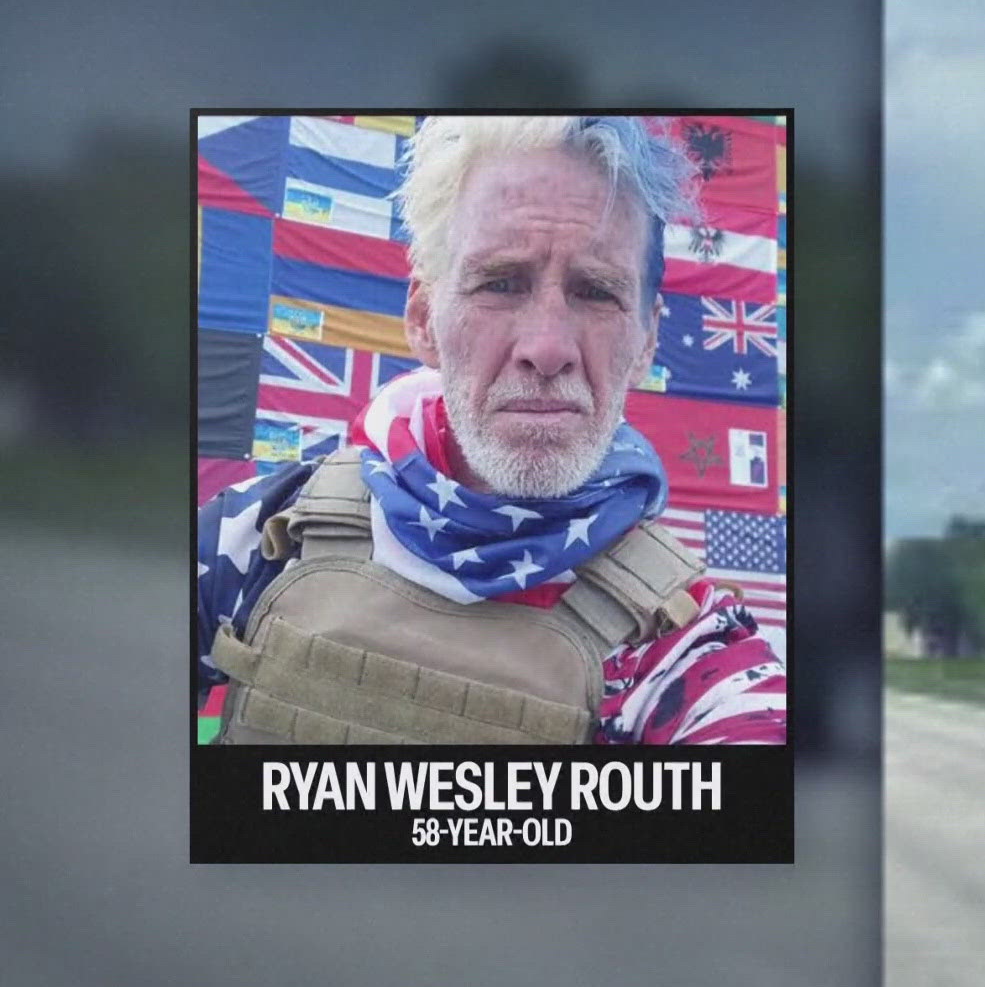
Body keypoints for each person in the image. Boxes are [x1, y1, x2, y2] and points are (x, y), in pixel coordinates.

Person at [193, 115, 786, 745]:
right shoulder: (264, 536)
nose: (547, 347)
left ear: (646, 343)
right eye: (500, 284)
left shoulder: (683, 645)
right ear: (424, 319)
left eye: (596, 292)